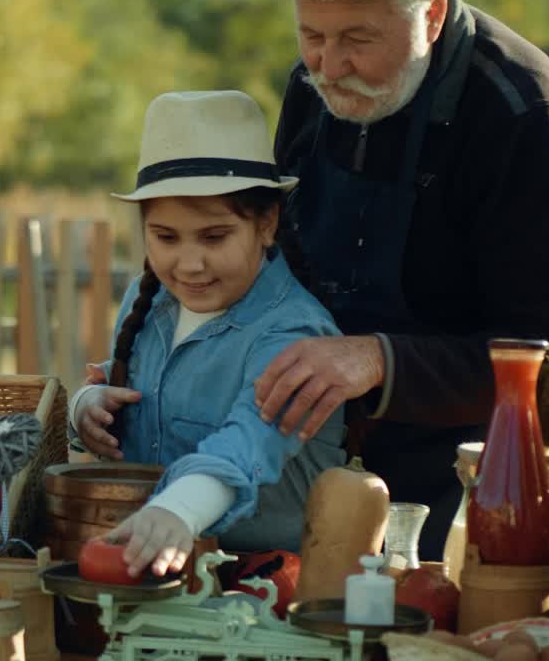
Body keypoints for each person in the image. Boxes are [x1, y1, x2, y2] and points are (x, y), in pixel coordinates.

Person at [238, 0, 549, 559]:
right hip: (310, 457)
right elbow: (279, 258)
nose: (329, 66)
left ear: (430, 15)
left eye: (358, 39)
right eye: (311, 36)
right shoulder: (310, 86)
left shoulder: (522, 115)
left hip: (464, 480)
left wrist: (379, 360)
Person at [68, 89, 346, 580]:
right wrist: (87, 406)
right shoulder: (146, 300)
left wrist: (179, 510)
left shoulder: (296, 335)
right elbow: (137, 408)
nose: (190, 264)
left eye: (214, 237)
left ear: (266, 224)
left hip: (263, 586)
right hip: (150, 562)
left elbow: (251, 439)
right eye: (166, 238)